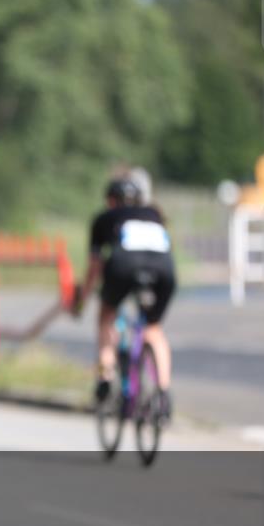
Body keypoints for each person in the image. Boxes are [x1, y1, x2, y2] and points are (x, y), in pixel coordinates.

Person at [73, 175, 176, 416]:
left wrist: (83, 298)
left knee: (106, 317)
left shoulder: (104, 218)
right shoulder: (154, 214)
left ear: (110, 200)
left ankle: (105, 377)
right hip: (164, 269)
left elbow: (94, 267)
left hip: (124, 265)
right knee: (153, 329)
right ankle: (163, 393)